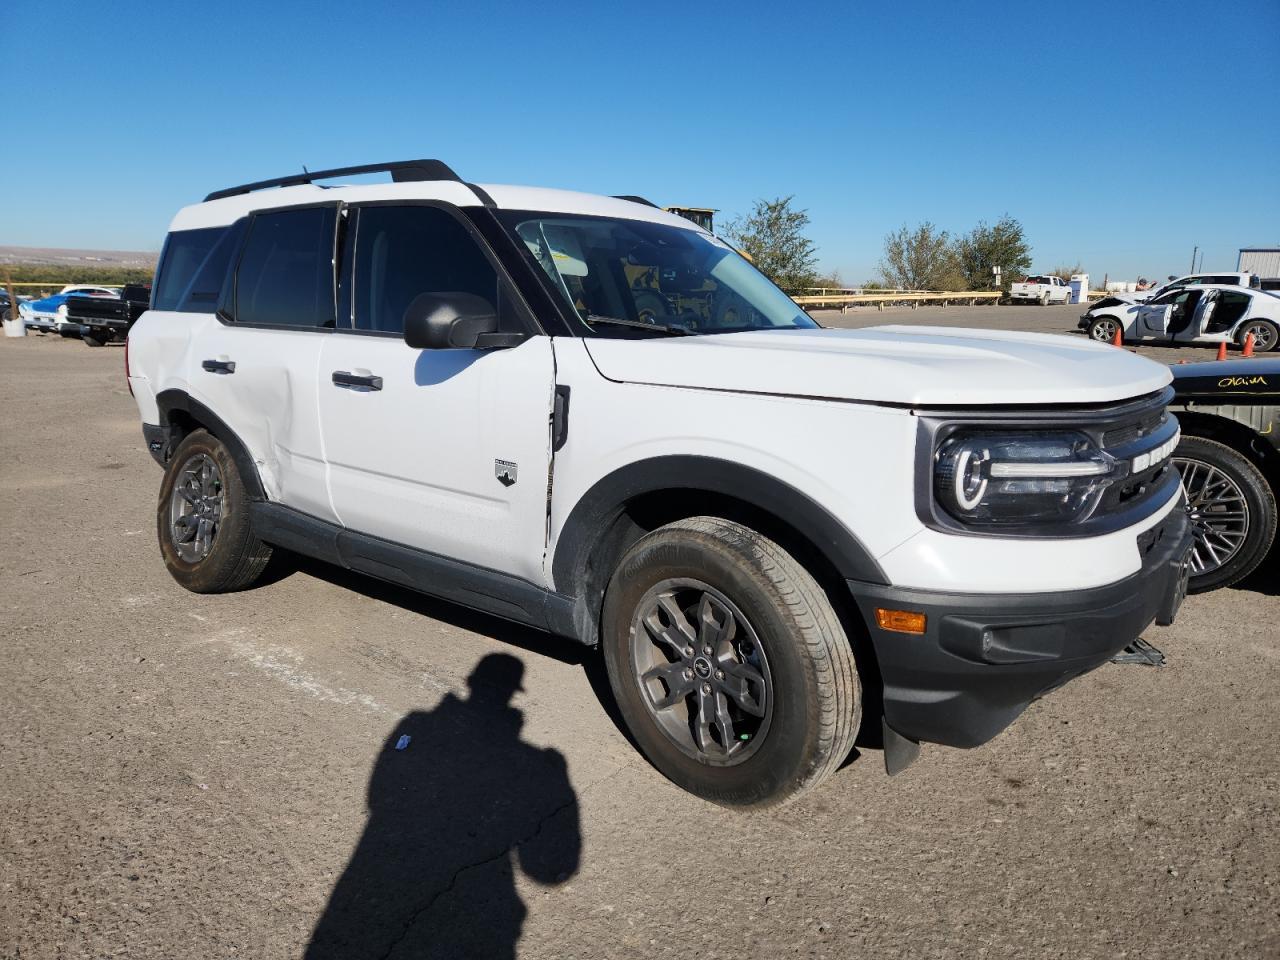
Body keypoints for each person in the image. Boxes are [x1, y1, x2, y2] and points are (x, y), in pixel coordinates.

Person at [306, 654, 580, 959]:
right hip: (474, 904)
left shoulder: (418, 723)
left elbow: (377, 796)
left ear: (471, 683)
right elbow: (548, 870)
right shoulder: (530, 759)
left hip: (376, 876)